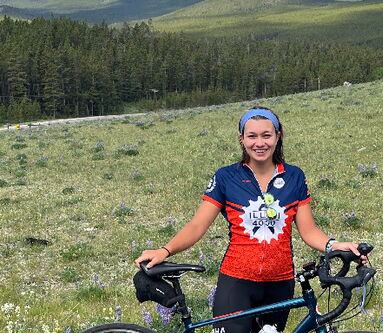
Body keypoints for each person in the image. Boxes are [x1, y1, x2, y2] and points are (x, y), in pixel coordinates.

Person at [135, 107, 367, 332]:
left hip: (280, 282)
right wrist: (164, 251)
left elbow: (309, 231)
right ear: (242, 139)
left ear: (278, 136)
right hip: (236, 281)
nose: (260, 143)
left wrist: (335, 246)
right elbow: (197, 226)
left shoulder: (294, 176)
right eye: (252, 136)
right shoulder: (226, 177)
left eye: (266, 135)